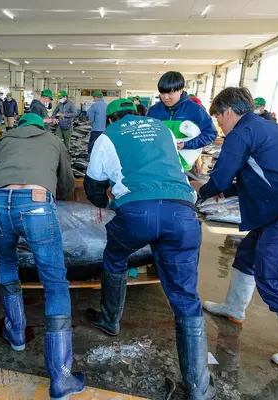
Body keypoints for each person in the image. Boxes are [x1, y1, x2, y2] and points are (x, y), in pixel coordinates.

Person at [84, 98, 215, 399]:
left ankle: (109, 320)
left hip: (136, 213)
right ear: (139, 113)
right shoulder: (163, 130)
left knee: (115, 257)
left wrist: (107, 204)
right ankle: (198, 389)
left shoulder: (108, 135)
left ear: (113, 117)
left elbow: (93, 186)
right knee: (185, 298)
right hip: (182, 214)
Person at [197, 87, 278, 369]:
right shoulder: (263, 127)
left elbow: (221, 174)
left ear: (228, 112)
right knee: (247, 256)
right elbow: (253, 174)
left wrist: (200, 193)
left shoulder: (241, 132)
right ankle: (234, 307)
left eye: (218, 117)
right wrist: (224, 190)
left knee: (273, 280)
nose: (219, 124)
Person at [0, 113, 84, 400]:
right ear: (43, 126)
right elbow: (66, 183)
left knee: (6, 262)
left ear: (19, 126)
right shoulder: (54, 141)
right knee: (55, 282)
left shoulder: (5, 139)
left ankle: (16, 334)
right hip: (35, 205)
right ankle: (61, 378)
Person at [147, 71, 218, 153]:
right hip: (159, 159)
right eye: (162, 93)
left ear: (181, 90)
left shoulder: (195, 110)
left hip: (184, 161)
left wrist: (186, 145)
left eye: (170, 93)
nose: (166, 97)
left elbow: (210, 133)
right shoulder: (153, 111)